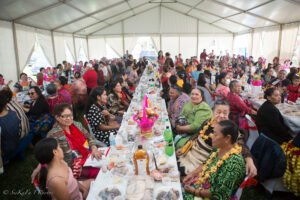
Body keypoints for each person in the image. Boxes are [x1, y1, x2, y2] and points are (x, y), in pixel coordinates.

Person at [177, 100, 256, 177]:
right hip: (190, 154)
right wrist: (184, 147)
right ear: (212, 112)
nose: (221, 115)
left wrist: (249, 160)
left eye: (225, 113)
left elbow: (241, 145)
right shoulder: (208, 122)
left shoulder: (230, 129)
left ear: (229, 114)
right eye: (218, 112)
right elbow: (196, 135)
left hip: (201, 162)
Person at [31, 103, 101, 183]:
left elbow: (90, 138)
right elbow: (48, 153)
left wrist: (94, 148)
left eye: (70, 115)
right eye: (64, 116)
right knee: (100, 173)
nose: (69, 118)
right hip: (73, 166)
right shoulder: (53, 134)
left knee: (108, 164)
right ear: (57, 117)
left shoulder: (77, 124)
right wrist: (39, 167)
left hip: (89, 155)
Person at [183, 120, 246, 200]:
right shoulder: (219, 148)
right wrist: (192, 174)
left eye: (215, 134)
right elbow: (206, 163)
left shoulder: (233, 164)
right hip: (201, 185)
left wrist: (194, 191)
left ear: (227, 138)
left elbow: (219, 194)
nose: (211, 136)